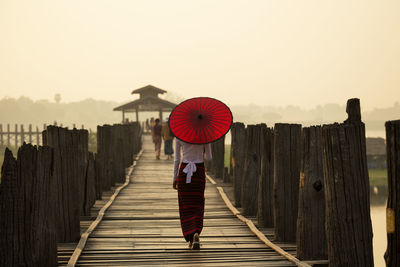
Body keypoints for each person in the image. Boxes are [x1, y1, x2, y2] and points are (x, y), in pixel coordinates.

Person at [173, 139, 212, 250]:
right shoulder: (204, 135)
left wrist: (174, 178)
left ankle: (190, 236)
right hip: (199, 172)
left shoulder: (179, 136)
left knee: (185, 206)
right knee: (198, 204)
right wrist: (203, 149)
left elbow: (176, 159)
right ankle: (196, 232)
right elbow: (209, 157)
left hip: (184, 172)